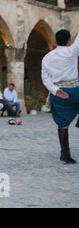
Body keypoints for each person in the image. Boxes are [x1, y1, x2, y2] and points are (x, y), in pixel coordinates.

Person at [41, 29, 79, 164]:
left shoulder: (47, 57)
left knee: (63, 124)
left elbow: (45, 78)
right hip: (74, 90)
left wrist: (55, 90)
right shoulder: (71, 51)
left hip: (58, 93)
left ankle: (65, 154)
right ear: (69, 41)